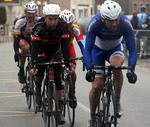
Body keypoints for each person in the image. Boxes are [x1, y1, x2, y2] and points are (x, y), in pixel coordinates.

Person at [83, 1, 137, 127]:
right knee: (97, 86)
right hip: (97, 50)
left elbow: (133, 49)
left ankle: (117, 102)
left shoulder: (124, 23)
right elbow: (88, 48)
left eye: (116, 20)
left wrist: (131, 70)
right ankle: (92, 116)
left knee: (116, 67)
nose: (114, 23)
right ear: (103, 18)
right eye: (110, 21)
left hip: (115, 48)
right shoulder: (95, 23)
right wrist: (89, 68)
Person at [30, 4, 70, 125]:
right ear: (45, 18)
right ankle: (38, 88)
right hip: (41, 50)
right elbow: (34, 49)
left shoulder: (63, 26)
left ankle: (59, 110)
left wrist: (68, 64)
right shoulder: (38, 27)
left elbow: (65, 47)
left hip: (55, 50)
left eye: (56, 19)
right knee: (40, 69)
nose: (53, 22)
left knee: (58, 77)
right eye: (50, 19)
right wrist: (33, 66)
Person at [59, 9, 85, 108]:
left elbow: (82, 43)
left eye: (69, 25)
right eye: (65, 25)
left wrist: (85, 55)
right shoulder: (56, 27)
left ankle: (72, 91)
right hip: (57, 47)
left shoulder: (75, 29)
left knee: (72, 70)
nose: (67, 27)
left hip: (69, 47)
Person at [13, 1, 41, 84]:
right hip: (24, 39)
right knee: (25, 48)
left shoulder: (39, 21)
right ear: (25, 12)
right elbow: (16, 38)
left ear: (36, 12)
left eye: (33, 13)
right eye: (29, 13)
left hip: (34, 40)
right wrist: (16, 52)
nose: (31, 15)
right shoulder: (20, 22)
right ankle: (21, 69)